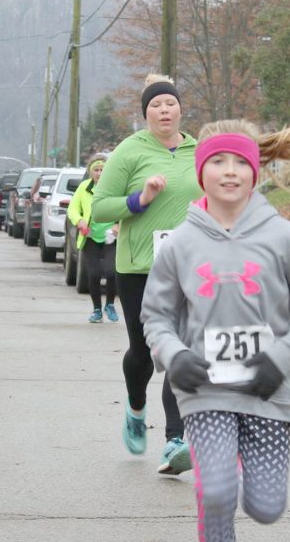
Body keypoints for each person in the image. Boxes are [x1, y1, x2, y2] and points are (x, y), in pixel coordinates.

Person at [142, 119, 290, 540]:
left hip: (269, 391)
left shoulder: (285, 237)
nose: (229, 171)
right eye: (217, 161)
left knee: (266, 507)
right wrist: (174, 355)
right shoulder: (179, 243)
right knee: (216, 490)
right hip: (205, 391)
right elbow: (156, 315)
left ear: (255, 172)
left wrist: (281, 357)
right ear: (200, 173)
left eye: (239, 162)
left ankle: (246, 497)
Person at [91, 73, 198, 475]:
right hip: (138, 267)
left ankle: (174, 441)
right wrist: (140, 200)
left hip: (187, 270)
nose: (164, 110)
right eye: (156, 105)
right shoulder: (129, 152)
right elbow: (100, 209)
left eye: (170, 103)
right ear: (145, 114)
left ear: (180, 108)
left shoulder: (197, 150)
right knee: (143, 353)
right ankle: (136, 409)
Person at [68, 155, 118, 323]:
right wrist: (80, 221)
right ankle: (96, 309)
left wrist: (118, 224)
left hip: (111, 237)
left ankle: (110, 304)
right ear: (90, 172)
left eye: (103, 170)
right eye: (96, 170)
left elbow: (123, 207)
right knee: (94, 273)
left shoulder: (115, 187)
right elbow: (73, 209)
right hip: (89, 236)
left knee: (112, 272)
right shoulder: (84, 188)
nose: (99, 173)